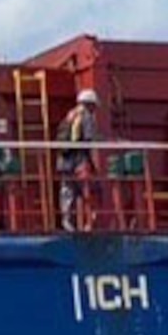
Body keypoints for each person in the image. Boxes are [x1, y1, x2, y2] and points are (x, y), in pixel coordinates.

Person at [55, 89, 101, 232]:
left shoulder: (69, 116)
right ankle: (90, 223)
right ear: (91, 104)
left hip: (64, 162)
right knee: (89, 191)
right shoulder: (86, 116)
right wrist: (95, 165)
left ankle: (67, 222)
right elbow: (89, 140)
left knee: (67, 192)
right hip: (79, 161)